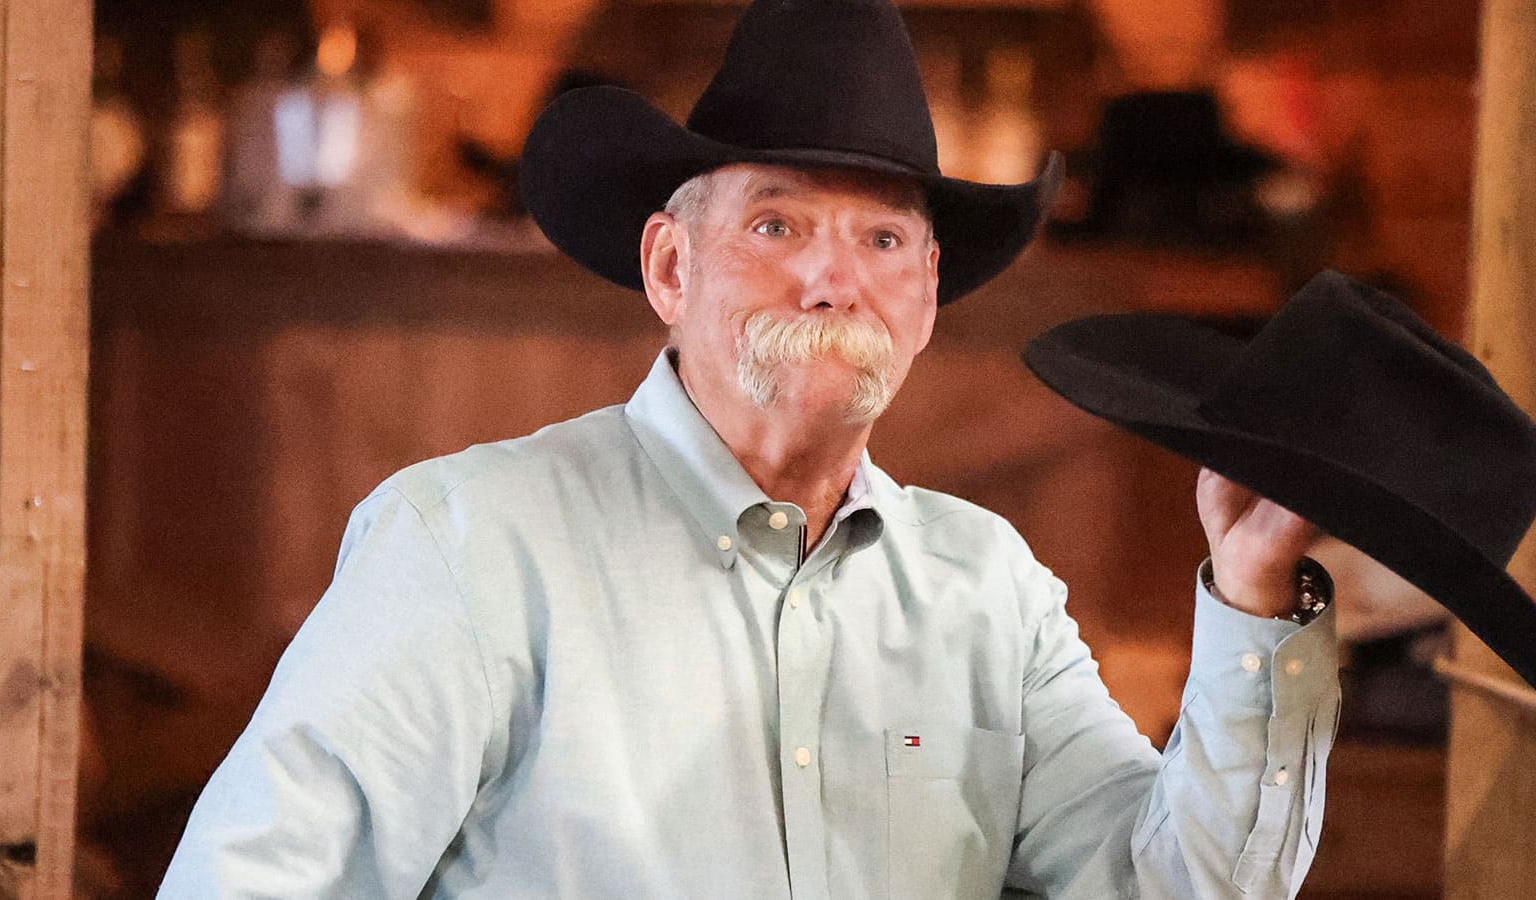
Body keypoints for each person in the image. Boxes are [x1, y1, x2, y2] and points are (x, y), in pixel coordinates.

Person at [159, 1, 1340, 896]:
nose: (834, 279)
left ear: (925, 298)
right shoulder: (469, 544)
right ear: (671, 267)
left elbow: (1174, 887)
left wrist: (1250, 602)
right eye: (777, 224)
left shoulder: (989, 589)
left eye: (883, 238)